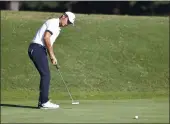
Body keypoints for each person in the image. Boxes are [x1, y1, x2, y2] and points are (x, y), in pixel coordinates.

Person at [28, 12, 76, 109]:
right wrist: (52, 55)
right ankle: (44, 102)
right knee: (46, 75)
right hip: (37, 48)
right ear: (63, 16)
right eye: (68, 21)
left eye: (70, 23)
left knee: (45, 75)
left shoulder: (58, 29)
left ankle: (42, 102)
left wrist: (52, 56)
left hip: (39, 49)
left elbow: (50, 41)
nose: (67, 24)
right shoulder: (53, 22)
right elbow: (46, 38)